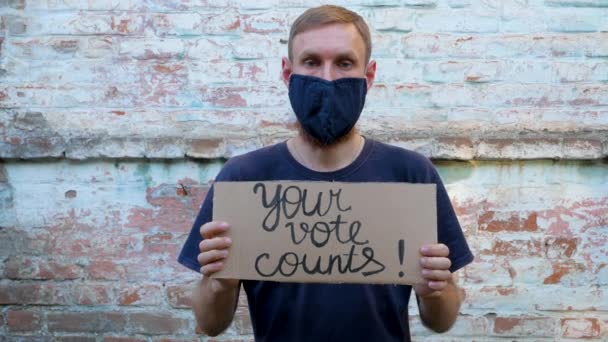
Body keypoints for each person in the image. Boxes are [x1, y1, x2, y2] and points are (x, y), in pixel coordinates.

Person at [177, 5, 474, 341]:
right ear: (288, 73)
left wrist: (436, 289)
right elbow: (211, 324)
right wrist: (219, 284)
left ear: (369, 75)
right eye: (312, 62)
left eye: (344, 63)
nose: (328, 78)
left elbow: (442, 321)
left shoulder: (412, 175)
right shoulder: (243, 178)